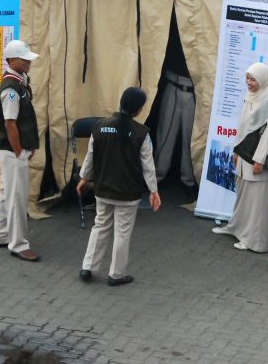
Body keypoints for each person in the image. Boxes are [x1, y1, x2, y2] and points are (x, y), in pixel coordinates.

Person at [77, 87, 162, 286]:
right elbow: (148, 166)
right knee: (122, 233)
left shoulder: (100, 126)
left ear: (121, 102)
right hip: (128, 192)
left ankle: (88, 267)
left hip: (103, 188)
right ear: (139, 110)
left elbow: (90, 157)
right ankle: (116, 274)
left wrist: (83, 178)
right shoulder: (142, 133)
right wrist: (153, 191)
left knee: (100, 226)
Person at [212, 63, 268, 253]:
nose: (249, 83)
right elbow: (242, 127)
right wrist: (236, 151)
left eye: (253, 79)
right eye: (247, 78)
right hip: (244, 155)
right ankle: (237, 228)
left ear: (262, 79)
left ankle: (255, 242)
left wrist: (259, 160)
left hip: (256, 158)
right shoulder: (250, 97)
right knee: (243, 197)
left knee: (256, 204)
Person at [0, 39, 41, 262]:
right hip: (13, 152)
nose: (28, 62)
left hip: (10, 151)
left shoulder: (17, 81)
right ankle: (19, 244)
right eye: (24, 59)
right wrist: (20, 151)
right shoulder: (11, 89)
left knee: (5, 193)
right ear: (11, 60)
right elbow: (10, 124)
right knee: (17, 197)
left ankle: (1, 235)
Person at [154, 16, 197, 196]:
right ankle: (157, 176)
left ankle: (189, 179)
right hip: (173, 84)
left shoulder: (200, 34)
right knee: (165, 135)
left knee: (191, 138)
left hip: (193, 89)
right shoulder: (174, 31)